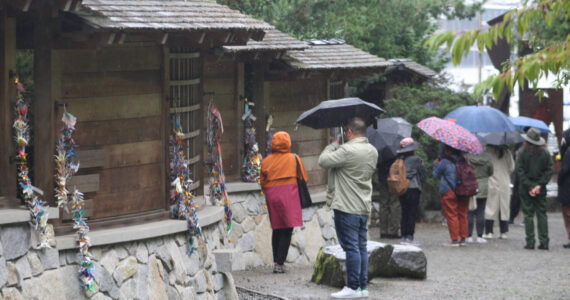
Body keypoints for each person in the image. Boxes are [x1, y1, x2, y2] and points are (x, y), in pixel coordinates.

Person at [318, 117, 378, 299]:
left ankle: (352, 287)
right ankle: (362, 287)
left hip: (346, 206)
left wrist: (333, 144)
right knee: (361, 247)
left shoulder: (347, 150)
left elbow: (323, 161)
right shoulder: (372, 150)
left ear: (350, 132)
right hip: (363, 205)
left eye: (345, 132)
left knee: (351, 247)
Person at [260, 131, 308, 273]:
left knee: (277, 227)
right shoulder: (294, 159)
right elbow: (303, 178)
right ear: (288, 143)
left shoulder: (266, 161)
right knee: (287, 228)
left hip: (272, 196)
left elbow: (262, 181)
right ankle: (280, 263)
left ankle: (276, 261)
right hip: (289, 196)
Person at [516, 127, 554, 250]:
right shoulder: (545, 153)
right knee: (542, 214)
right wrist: (539, 185)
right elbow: (549, 170)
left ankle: (530, 242)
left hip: (525, 187)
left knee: (528, 215)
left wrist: (530, 186)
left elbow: (520, 171)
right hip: (540, 188)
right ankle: (544, 242)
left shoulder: (522, 152)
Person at [433, 145, 469, 246]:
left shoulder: (444, 162)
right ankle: (463, 239)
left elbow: (435, 174)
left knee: (451, 214)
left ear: (448, 151)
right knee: (463, 213)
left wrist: (436, 164)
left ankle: (454, 239)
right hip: (464, 191)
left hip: (449, 190)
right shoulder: (465, 161)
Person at [396, 138, 427, 245]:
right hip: (413, 188)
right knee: (412, 213)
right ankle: (410, 237)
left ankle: (403, 236)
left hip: (401, 188)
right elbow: (423, 175)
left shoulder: (398, 159)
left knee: (404, 212)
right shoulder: (417, 159)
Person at [483, 145, 515, 239]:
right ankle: (503, 232)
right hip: (504, 181)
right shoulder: (507, 152)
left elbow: (486, 167)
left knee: (490, 207)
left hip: (492, 181)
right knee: (504, 207)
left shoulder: (488, 151)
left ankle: (489, 232)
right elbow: (512, 167)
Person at [466, 149, 493, 243]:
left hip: (470, 185)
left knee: (469, 211)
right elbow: (491, 171)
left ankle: (468, 235)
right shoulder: (488, 157)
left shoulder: (468, 157)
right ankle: (480, 236)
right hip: (483, 185)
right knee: (480, 211)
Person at [377, 155, 401, 239]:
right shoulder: (395, 152)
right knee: (394, 203)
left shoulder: (379, 151)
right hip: (394, 179)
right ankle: (393, 231)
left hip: (382, 178)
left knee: (383, 204)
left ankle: (383, 231)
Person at [558, 128, 570, 249]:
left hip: (567, 187)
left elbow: (564, 170)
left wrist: (559, 181)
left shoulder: (568, 152)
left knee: (567, 214)